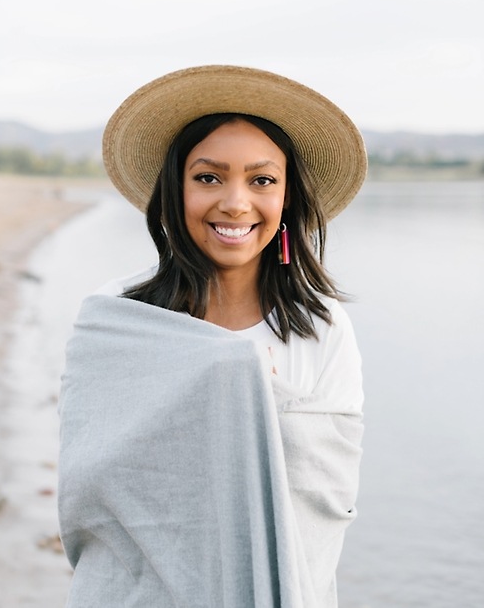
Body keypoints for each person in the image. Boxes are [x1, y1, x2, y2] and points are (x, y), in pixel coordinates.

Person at [58, 65, 367, 608]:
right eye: (208, 177)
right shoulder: (118, 319)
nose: (235, 202)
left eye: (262, 180)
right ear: (175, 192)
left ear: (288, 198)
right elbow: (90, 486)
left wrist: (248, 398)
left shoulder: (321, 330)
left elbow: (327, 498)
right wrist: (219, 388)